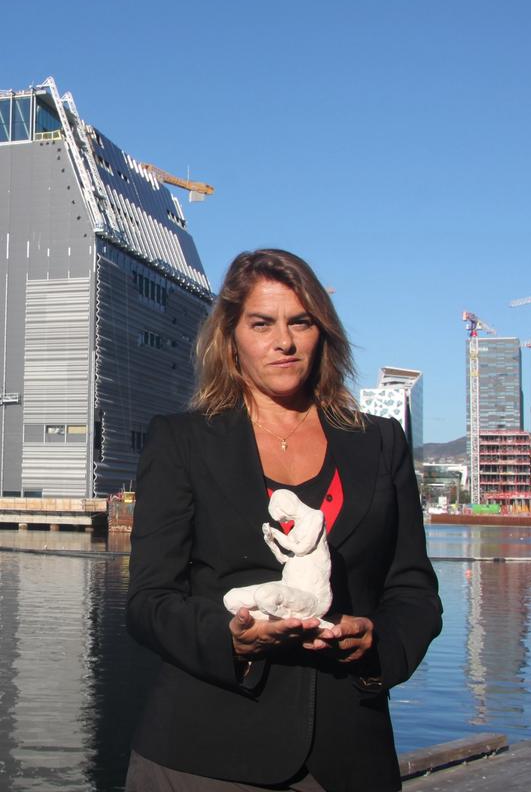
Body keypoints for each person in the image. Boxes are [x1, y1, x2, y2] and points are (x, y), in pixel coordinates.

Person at [125, 249, 443, 791]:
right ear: (230, 337)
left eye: (301, 322)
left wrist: (378, 644)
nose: (284, 342)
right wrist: (229, 639)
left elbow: (412, 589)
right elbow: (149, 601)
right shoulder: (181, 441)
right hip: (203, 754)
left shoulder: (381, 442)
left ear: (324, 333)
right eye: (262, 324)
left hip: (350, 757)